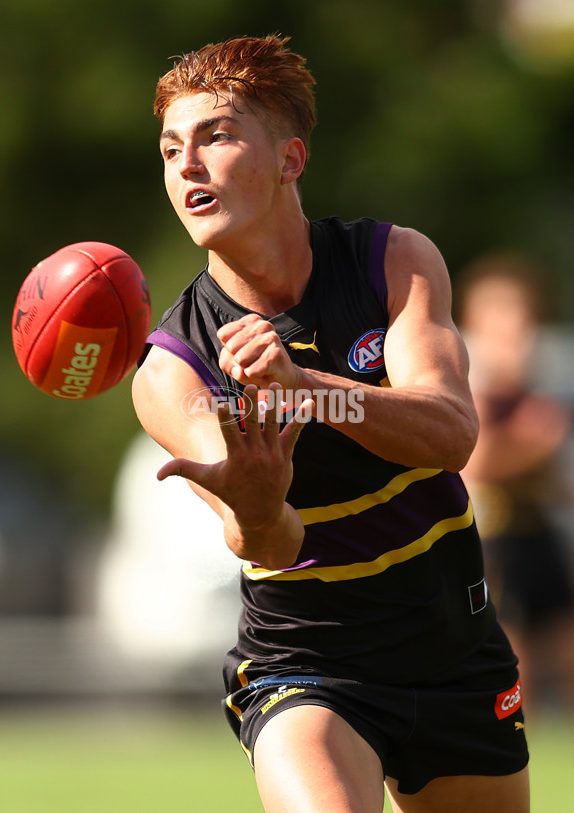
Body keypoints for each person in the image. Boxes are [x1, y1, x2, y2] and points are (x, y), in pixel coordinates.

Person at [132, 35, 530, 813]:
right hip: (308, 663)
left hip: (453, 648)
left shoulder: (393, 263)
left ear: (290, 160)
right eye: (172, 147)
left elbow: (451, 433)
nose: (187, 165)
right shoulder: (172, 369)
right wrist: (253, 498)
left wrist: (310, 388)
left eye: (216, 135)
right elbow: (272, 543)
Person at [457, 255, 574, 716]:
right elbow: (477, 465)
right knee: (513, 656)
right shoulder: (475, 385)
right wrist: (534, 443)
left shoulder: (535, 388)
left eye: (522, 317)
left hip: (537, 529)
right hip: (494, 536)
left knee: (564, 646)